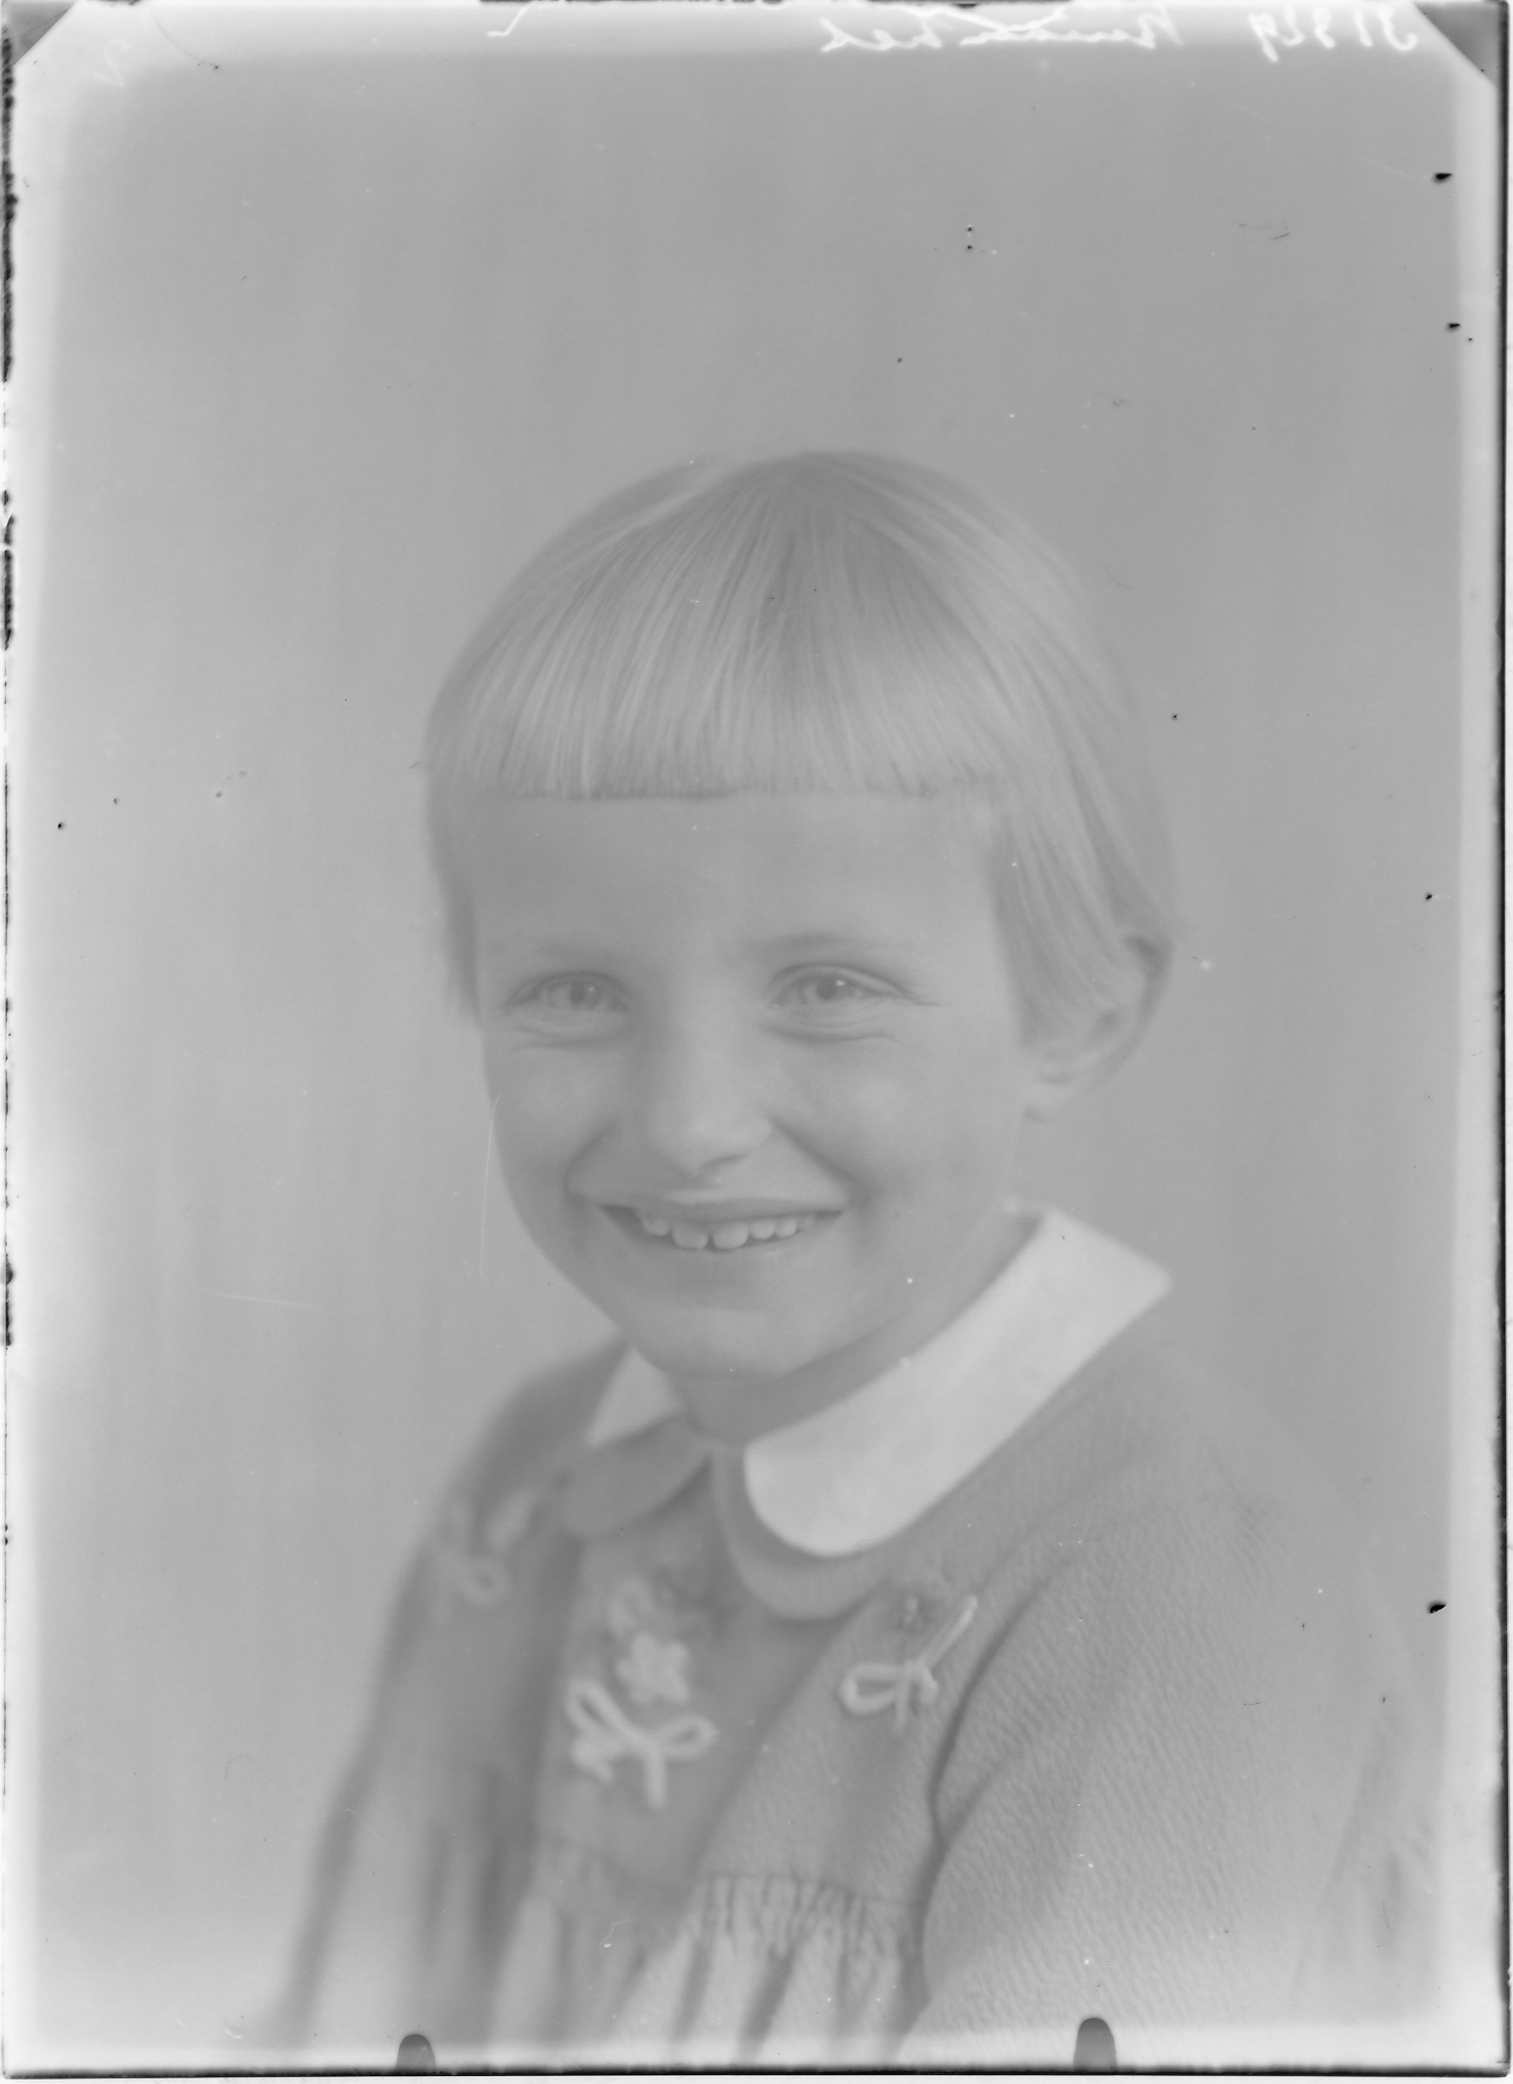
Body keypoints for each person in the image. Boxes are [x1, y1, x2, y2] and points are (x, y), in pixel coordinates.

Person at [277, 453, 1432, 2068]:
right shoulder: (538, 1474)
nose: (687, 1122)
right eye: (575, 991)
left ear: (1071, 1013)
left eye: (825, 988)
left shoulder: (1177, 1599)